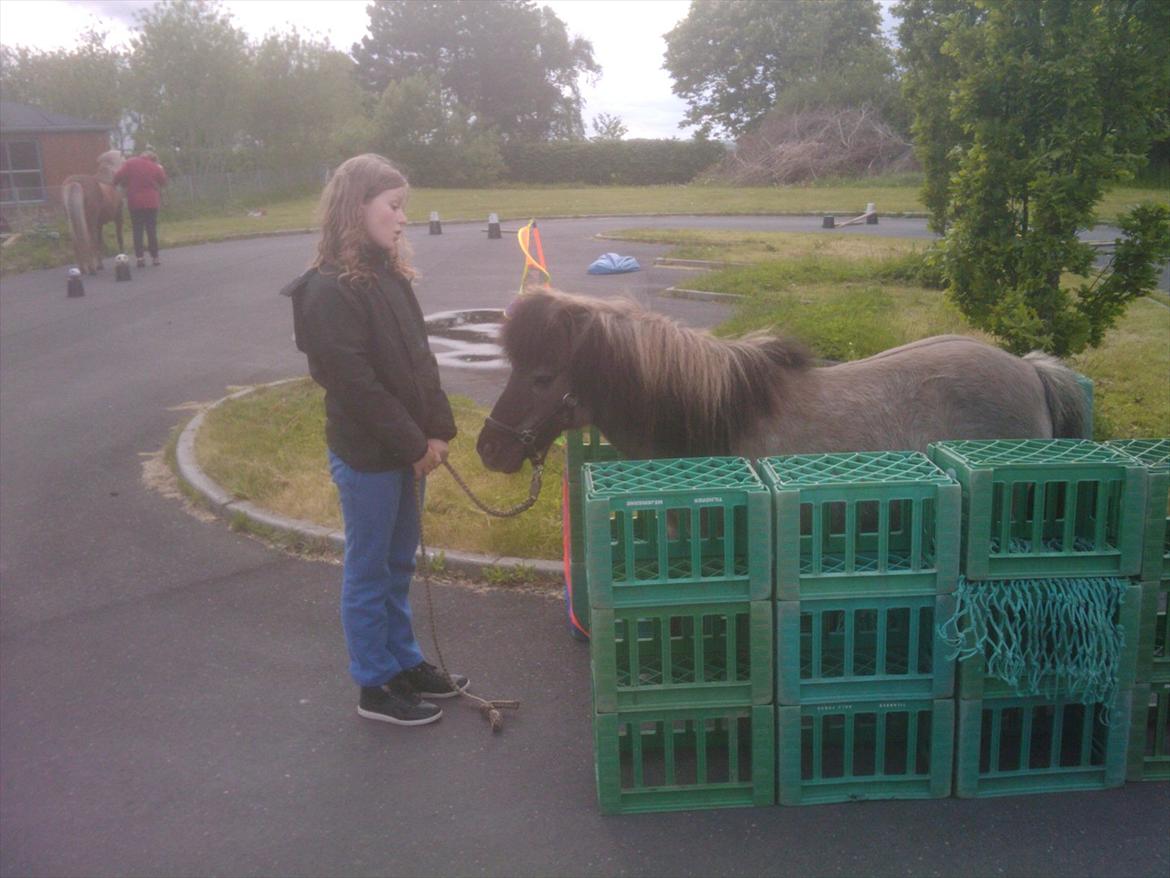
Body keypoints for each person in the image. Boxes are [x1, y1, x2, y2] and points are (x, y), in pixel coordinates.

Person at [280, 154, 466, 727]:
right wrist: (414, 445)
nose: (403, 218)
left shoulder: (388, 274)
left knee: (397, 563)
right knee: (369, 571)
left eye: (403, 207)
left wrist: (438, 430)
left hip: (405, 450)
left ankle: (404, 662)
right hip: (368, 457)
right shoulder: (327, 291)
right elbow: (356, 385)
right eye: (393, 206)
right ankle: (374, 684)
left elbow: (419, 362)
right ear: (356, 207)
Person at [113, 148, 167, 268]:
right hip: (151, 202)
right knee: (151, 229)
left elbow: (117, 177)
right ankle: (155, 257)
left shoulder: (130, 163)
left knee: (137, 230)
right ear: (153, 159)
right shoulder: (155, 167)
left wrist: (116, 184)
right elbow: (163, 182)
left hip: (135, 202)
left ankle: (140, 258)